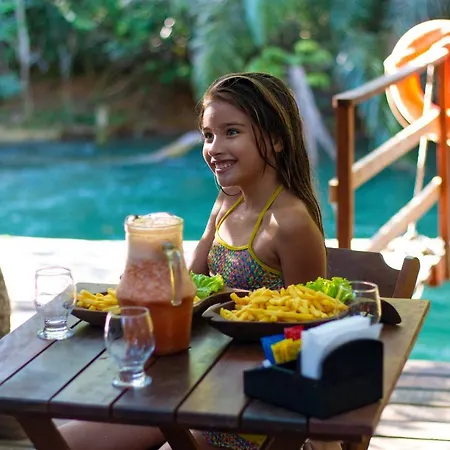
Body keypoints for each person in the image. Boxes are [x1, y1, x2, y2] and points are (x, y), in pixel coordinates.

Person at [59, 72, 337, 450]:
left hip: (255, 411)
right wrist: (151, 272)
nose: (214, 148)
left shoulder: (290, 224)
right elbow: (189, 286)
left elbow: (310, 338)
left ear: (276, 139)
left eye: (231, 132)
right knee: (68, 434)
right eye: (208, 135)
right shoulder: (227, 201)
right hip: (197, 381)